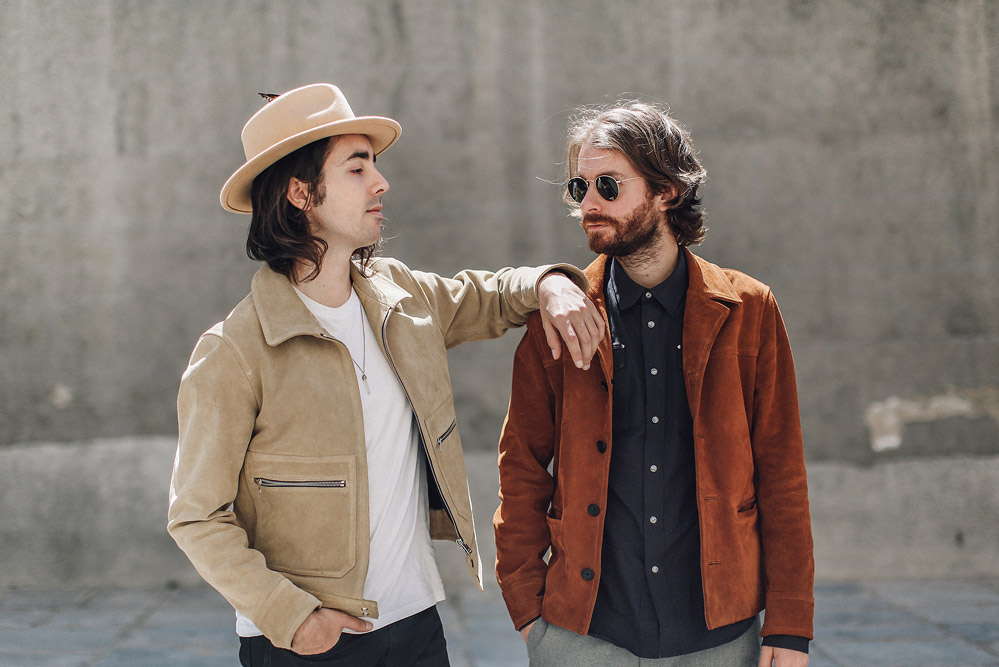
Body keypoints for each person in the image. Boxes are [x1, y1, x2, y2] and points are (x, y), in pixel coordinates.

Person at [167, 83, 604, 667]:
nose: (381, 183)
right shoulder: (235, 351)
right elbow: (196, 515)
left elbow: (494, 296)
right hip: (310, 643)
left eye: (374, 165)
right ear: (300, 193)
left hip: (417, 626)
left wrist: (550, 283)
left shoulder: (401, 297)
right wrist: (291, 616)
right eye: (356, 168)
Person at [493, 101, 814, 667]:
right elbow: (520, 470)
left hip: (718, 636)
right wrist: (528, 614)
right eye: (579, 187)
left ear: (666, 191)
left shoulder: (749, 310)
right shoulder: (557, 317)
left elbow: (781, 472)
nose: (588, 204)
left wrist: (789, 626)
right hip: (583, 636)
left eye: (608, 185)